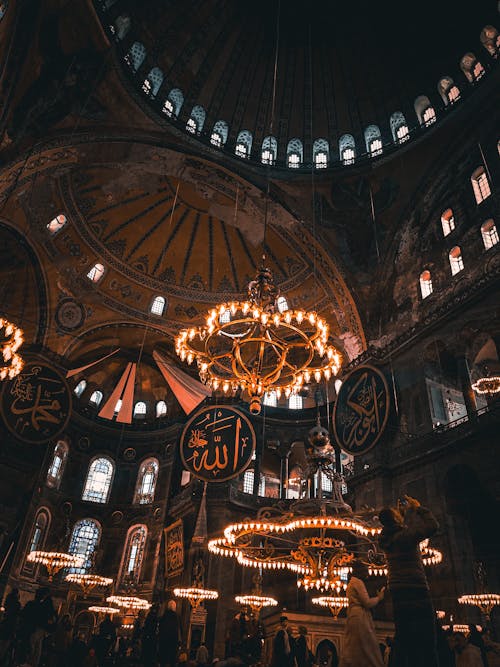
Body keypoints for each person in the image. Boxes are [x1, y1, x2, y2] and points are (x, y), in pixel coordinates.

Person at [378, 495, 439, 667]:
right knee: (427, 638)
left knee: (404, 637)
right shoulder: (405, 537)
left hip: (397, 591)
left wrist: (402, 515)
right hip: (416, 588)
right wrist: (418, 508)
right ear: (395, 519)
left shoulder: (386, 539)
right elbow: (433, 526)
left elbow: (396, 527)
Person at [338, 560, 385, 667]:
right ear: (361, 571)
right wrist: (379, 598)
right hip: (360, 617)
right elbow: (367, 603)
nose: (367, 574)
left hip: (353, 615)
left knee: (353, 646)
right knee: (367, 645)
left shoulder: (351, 582)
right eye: (366, 571)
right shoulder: (358, 582)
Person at [158, 600, 181, 667]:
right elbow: (177, 630)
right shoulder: (176, 616)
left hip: (163, 642)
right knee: (172, 660)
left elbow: (160, 627)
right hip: (173, 642)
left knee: (163, 661)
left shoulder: (164, 615)